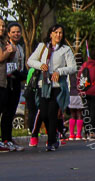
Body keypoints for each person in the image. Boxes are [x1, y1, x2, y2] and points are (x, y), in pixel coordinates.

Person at [26, 24, 77, 151]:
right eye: (55, 32)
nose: (58, 35)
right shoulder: (42, 47)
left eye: (60, 33)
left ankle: (51, 141)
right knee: (43, 113)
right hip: (42, 85)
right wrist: (40, 65)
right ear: (50, 34)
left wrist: (59, 71)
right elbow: (30, 61)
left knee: (52, 113)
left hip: (57, 86)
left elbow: (73, 67)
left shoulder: (66, 49)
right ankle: (53, 136)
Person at [0, 20, 25, 151]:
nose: (16, 34)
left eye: (18, 32)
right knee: (6, 111)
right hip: (6, 81)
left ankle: (8, 139)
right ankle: (5, 139)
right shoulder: (6, 45)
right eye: (13, 32)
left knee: (11, 111)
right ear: (8, 34)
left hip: (16, 82)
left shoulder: (20, 47)